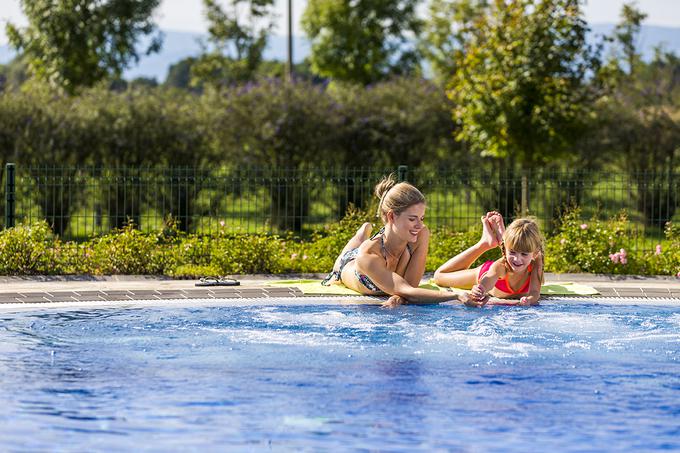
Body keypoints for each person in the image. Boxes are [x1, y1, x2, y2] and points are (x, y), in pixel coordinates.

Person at [322, 174, 469, 307]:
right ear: (391, 216)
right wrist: (456, 295)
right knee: (354, 247)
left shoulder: (421, 234)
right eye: (412, 219)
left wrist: (399, 297)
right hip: (349, 265)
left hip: (385, 245)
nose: (420, 225)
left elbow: (410, 286)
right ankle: (363, 232)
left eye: (422, 218)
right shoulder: (368, 255)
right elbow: (407, 290)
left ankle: (365, 231)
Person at [433, 212, 544, 306]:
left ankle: (502, 237)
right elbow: (486, 283)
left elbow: (535, 292)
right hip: (485, 272)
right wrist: (480, 290)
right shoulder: (499, 267)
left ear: (534, 254)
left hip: (515, 253)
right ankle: (485, 243)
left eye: (524, 254)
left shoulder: (536, 262)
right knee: (439, 277)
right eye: (512, 252)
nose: (517, 259)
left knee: (537, 275)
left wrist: (529, 300)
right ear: (506, 250)